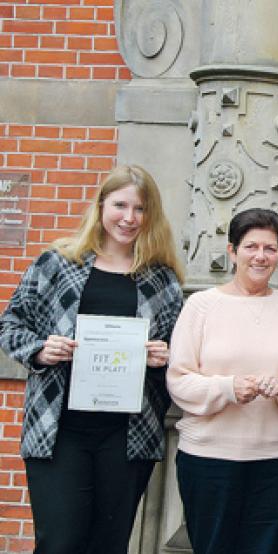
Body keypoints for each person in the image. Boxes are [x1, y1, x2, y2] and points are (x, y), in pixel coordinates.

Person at [0, 165, 185, 554]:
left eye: (140, 208)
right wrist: (38, 349)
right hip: (58, 428)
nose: (129, 218)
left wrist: (164, 356)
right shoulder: (57, 263)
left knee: (109, 544)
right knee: (60, 542)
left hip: (127, 434)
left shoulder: (161, 279)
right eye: (120, 205)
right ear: (101, 206)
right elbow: (10, 324)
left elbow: (181, 351)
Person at [167, 208, 278, 554]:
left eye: (270, 249)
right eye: (251, 247)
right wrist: (227, 388)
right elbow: (178, 379)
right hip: (209, 459)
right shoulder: (201, 306)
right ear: (232, 251)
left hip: (274, 460)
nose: (260, 256)